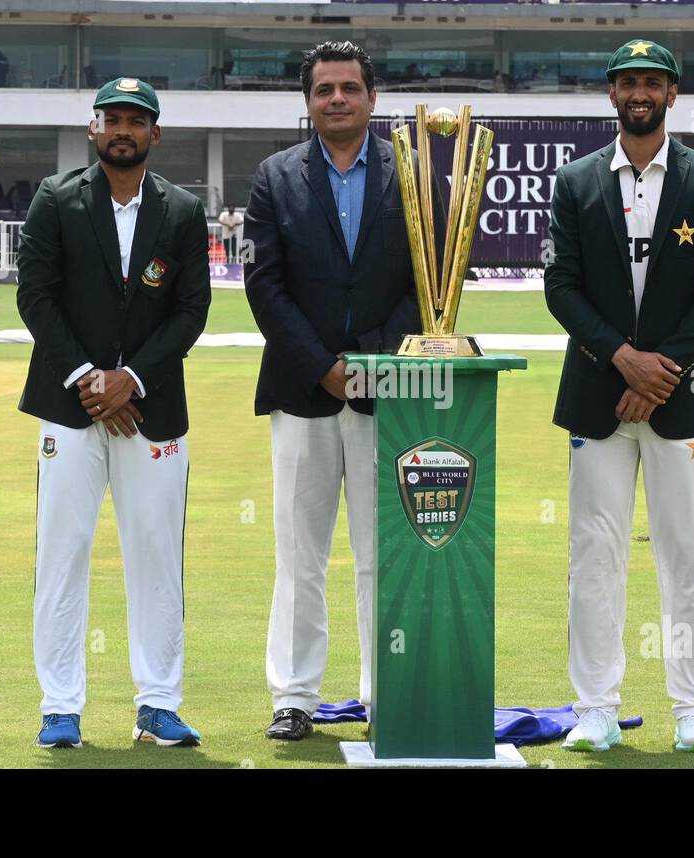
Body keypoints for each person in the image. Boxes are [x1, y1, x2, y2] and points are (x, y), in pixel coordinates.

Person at [543, 38, 694, 754]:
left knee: (689, 556)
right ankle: (594, 708)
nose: (639, 92)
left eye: (652, 81)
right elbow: (559, 287)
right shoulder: (576, 181)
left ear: (672, 93)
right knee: (593, 556)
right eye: (627, 81)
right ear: (611, 94)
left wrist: (660, 374)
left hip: (679, 397)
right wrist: (623, 360)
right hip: (598, 393)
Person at [16, 77, 212, 750]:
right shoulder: (56, 197)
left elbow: (192, 313)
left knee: (157, 557)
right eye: (113, 118)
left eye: (137, 120)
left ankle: (158, 703)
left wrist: (129, 379)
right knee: (61, 555)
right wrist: (89, 382)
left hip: (150, 411)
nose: (124, 129)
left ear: (156, 134)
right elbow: (35, 298)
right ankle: (60, 707)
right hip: (69, 410)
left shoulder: (183, 211)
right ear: (92, 129)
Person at [243, 41, 419, 742]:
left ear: (372, 98)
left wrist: (371, 361)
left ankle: (387, 694)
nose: (337, 99)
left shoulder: (410, 172)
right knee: (299, 555)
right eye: (325, 90)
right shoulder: (274, 177)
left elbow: (429, 283)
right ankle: (295, 696)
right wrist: (323, 365)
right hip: (302, 389)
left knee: (384, 556)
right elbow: (265, 286)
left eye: (350, 87)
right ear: (309, 101)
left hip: (387, 388)